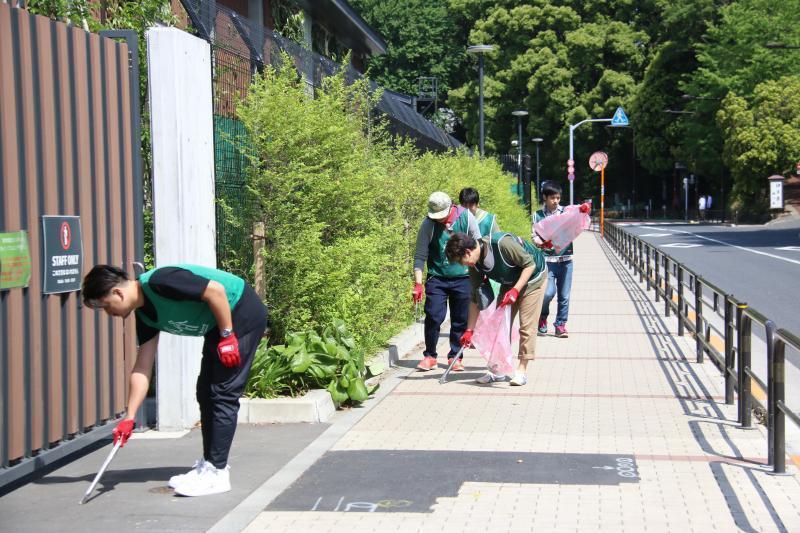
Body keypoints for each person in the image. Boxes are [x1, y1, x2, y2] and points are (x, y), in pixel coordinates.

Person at [81, 264, 268, 497]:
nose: (110, 314)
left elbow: (216, 291)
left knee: (222, 392)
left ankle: (218, 473)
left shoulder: (161, 281)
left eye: (107, 307)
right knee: (205, 392)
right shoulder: (145, 315)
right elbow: (143, 365)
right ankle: (209, 464)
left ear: (117, 293)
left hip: (241, 312)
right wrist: (129, 417)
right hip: (216, 325)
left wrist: (228, 335)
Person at [445, 231, 547, 386]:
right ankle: (497, 370)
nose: (463, 265)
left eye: (461, 261)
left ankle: (521, 370)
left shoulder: (501, 244)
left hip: (534, 279)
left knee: (526, 326)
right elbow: (475, 297)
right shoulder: (475, 265)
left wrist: (515, 290)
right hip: (510, 282)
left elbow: (530, 265)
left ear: (468, 252)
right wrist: (469, 330)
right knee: (499, 326)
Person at [413, 191, 481, 372]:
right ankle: (430, 356)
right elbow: (420, 255)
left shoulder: (466, 217)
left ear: (451, 207)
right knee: (434, 315)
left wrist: (479, 273)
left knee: (460, 318)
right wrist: (418, 283)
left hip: (464, 277)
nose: (440, 219)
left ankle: (455, 356)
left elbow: (478, 244)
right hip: (437, 277)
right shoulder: (428, 224)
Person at [532, 181, 574, 338]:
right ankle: (542, 317)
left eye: (558, 198)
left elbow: (575, 225)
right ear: (545, 197)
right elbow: (534, 235)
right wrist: (541, 242)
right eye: (552, 198)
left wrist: (582, 212)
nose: (556, 201)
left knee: (565, 295)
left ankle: (560, 325)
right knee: (547, 293)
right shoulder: (537, 215)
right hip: (547, 261)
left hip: (566, 260)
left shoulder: (566, 212)